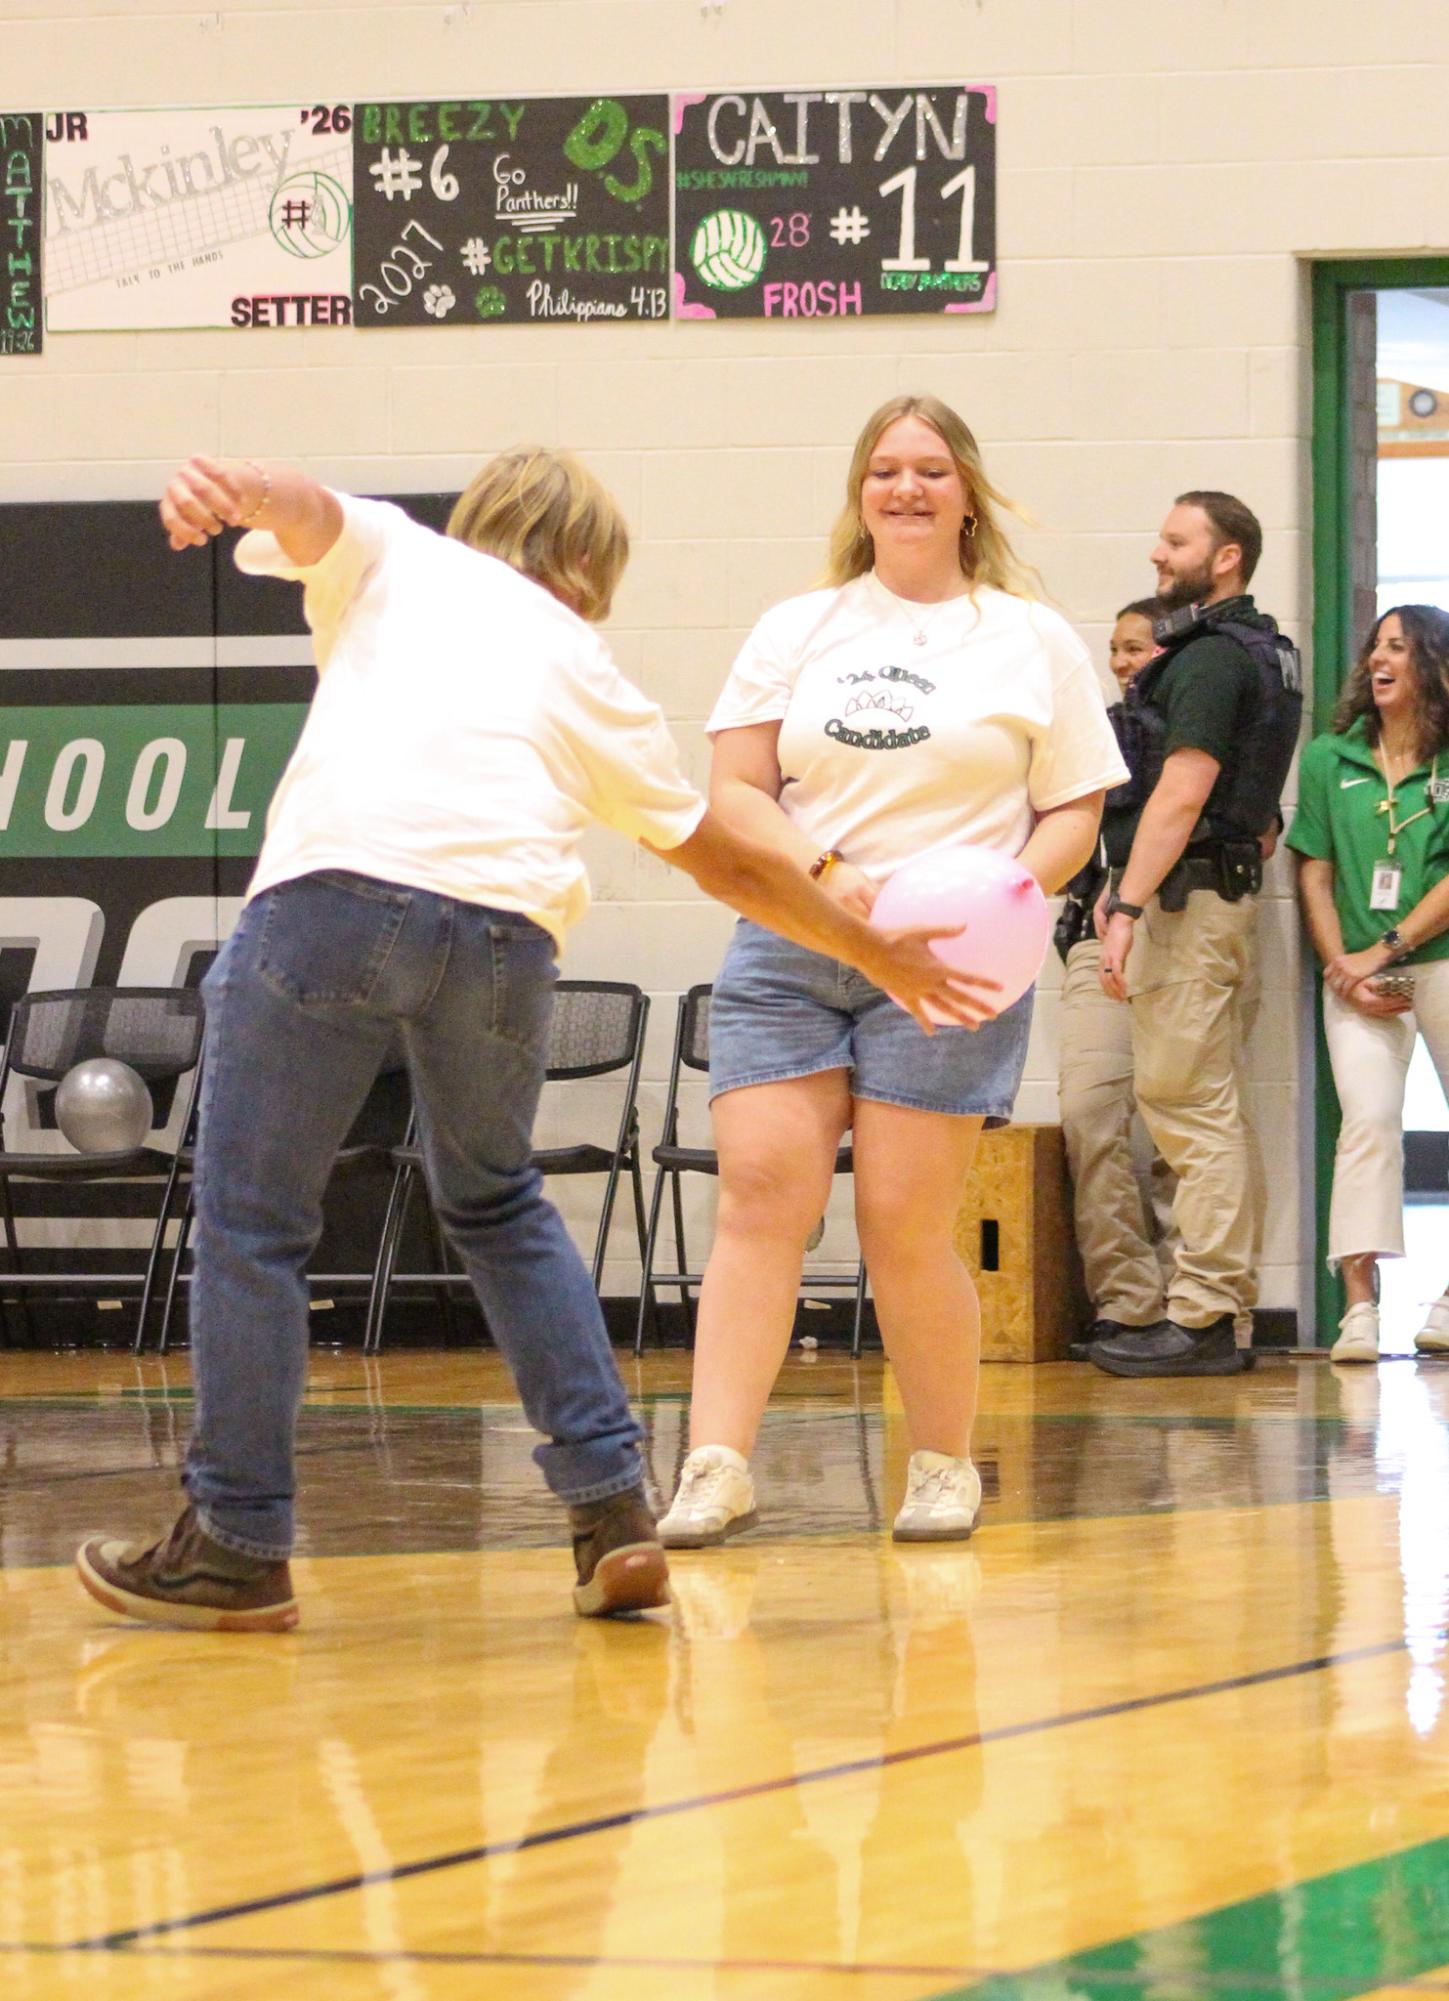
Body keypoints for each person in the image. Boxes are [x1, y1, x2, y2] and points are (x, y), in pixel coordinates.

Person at [74, 448, 994, 1635]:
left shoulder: (406, 555)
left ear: (483, 522)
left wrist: (234, 490)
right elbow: (725, 859)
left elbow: (301, 509)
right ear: (587, 572)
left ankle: (236, 1542)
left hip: (337, 898)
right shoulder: (589, 667)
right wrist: (873, 952)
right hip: (506, 940)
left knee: (256, 1223)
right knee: (500, 1207)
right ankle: (614, 1514)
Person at [655, 393, 1127, 1551]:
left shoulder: (1029, 637)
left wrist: (1012, 900)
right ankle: (717, 1466)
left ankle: (941, 1463)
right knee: (762, 1198)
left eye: (927, 470)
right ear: (859, 496)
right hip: (794, 940)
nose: (905, 489)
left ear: (967, 492)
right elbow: (735, 791)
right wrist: (826, 870)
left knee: (903, 1219)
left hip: (950, 965)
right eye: (883, 471)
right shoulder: (799, 626)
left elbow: (1076, 807)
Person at [1088, 492, 1299, 1380]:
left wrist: (1125, 903)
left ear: (1225, 558)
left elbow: (1182, 789)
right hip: (1219, 896)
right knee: (1206, 1105)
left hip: (1188, 901)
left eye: (1174, 541)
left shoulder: (1210, 659)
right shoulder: (1267, 650)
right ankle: (1215, 1305)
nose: (1155, 553)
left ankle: (1205, 1314)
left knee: (1183, 1104)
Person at [1287, 605, 1449, 1363]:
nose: (1379, 659)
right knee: (1368, 1122)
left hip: (1437, 958)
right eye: (1374, 646)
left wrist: (1385, 948)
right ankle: (1358, 1306)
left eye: (1399, 647)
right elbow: (1311, 870)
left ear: (1435, 667)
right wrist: (1343, 966)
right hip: (1354, 974)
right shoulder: (1328, 757)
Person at [1056, 600, 1177, 1356]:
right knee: (1089, 1113)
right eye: (1115, 650)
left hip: (1178, 926)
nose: (1124, 662)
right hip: (1089, 938)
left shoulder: (1207, 733)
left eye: (1137, 647)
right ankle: (1126, 1301)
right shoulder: (1090, 733)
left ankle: (1198, 1304)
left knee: (1181, 1126)